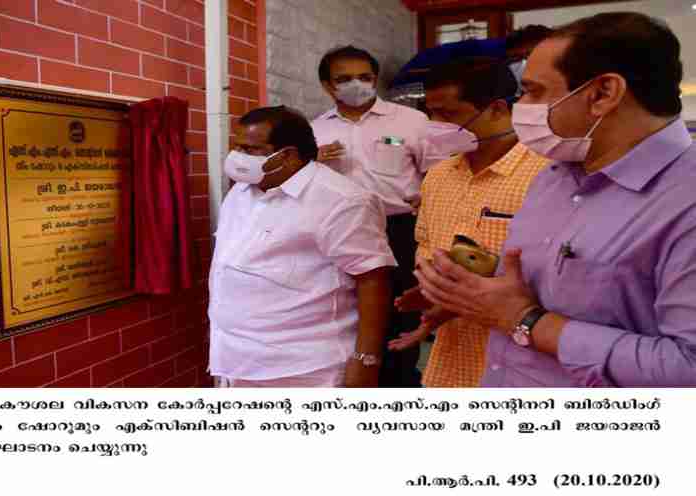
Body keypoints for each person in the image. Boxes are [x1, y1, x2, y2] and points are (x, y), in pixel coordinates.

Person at [415, 12, 696, 387]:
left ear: (602, 94)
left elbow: (687, 367)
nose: (521, 108)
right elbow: (552, 286)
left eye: (533, 91)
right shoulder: (554, 175)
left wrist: (527, 321)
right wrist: (470, 291)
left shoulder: (684, 200)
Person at [208, 106, 396, 388]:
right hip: (236, 358)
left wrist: (366, 359)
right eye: (237, 147)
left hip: (305, 368)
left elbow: (373, 279)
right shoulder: (241, 191)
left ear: (288, 155)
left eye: (250, 149)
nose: (237, 157)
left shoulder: (342, 201)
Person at [388, 57, 548, 387]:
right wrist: (433, 291)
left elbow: (559, 276)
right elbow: (428, 245)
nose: (436, 125)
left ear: (498, 109)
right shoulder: (438, 176)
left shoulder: (548, 175)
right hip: (452, 363)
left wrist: (464, 297)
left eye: (449, 114)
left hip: (523, 363)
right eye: (431, 113)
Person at [311, 45, 430, 387]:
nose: (357, 85)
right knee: (346, 312)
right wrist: (312, 161)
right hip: (338, 232)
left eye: (365, 77)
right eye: (344, 79)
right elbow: (305, 185)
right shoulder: (314, 130)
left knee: (399, 314)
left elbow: (437, 175)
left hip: (399, 229)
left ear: (376, 79)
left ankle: (399, 385)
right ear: (327, 86)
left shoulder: (411, 121)